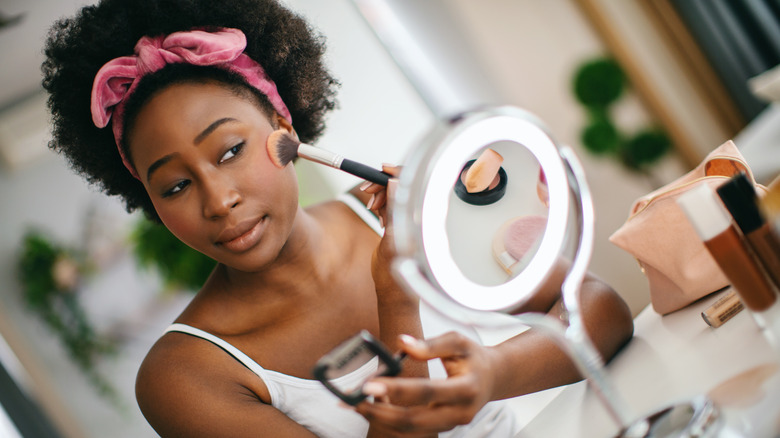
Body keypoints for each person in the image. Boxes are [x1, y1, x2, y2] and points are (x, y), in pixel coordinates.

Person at [42, 0, 634, 436]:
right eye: (174, 185)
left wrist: (491, 374)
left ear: (285, 130)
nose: (218, 199)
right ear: (152, 202)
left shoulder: (394, 213)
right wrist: (396, 297)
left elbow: (602, 313)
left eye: (229, 151)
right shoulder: (183, 375)